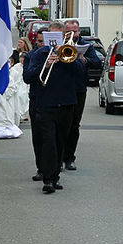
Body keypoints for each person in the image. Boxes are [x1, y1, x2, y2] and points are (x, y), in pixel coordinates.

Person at [22, 25, 79, 194]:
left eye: (58, 35)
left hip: (66, 104)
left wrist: (69, 58)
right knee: (48, 142)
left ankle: (55, 176)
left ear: (63, 37)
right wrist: (45, 65)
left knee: (60, 142)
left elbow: (80, 74)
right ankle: (48, 179)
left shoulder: (69, 52)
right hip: (45, 105)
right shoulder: (37, 55)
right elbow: (28, 78)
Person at [61, 19, 101, 170]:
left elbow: (97, 62)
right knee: (61, 124)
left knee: (74, 125)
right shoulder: (60, 44)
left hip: (78, 89)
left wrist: (85, 59)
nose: (72, 34)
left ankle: (69, 158)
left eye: (75, 31)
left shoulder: (86, 45)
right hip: (62, 89)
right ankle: (58, 157)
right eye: (69, 31)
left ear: (79, 31)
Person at [25, 31, 45, 181]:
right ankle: (41, 168)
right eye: (39, 41)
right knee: (38, 137)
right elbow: (28, 77)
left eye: (44, 41)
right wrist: (43, 65)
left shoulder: (59, 56)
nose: (42, 44)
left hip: (56, 101)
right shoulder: (31, 56)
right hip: (36, 99)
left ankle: (54, 168)